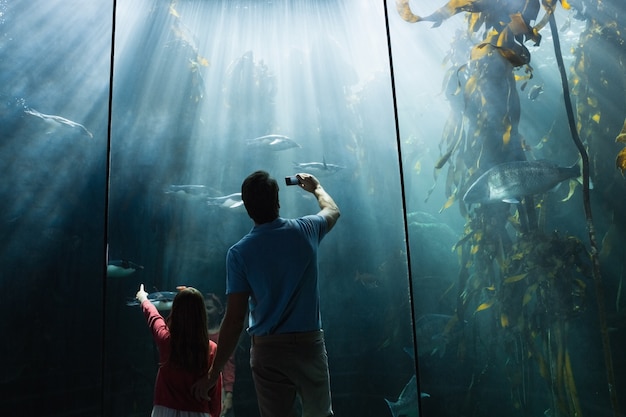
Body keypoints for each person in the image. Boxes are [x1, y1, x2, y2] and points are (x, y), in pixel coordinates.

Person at [193, 171, 340, 417]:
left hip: (268, 350)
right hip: (309, 345)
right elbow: (333, 210)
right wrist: (316, 188)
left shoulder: (239, 253)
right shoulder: (306, 230)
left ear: (248, 209)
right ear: (278, 201)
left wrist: (213, 374)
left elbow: (234, 319)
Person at [136, 284, 222, 417]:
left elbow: (154, 317)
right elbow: (214, 393)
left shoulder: (166, 341)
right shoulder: (211, 349)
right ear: (202, 314)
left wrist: (143, 299)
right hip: (198, 413)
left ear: (175, 311)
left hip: (164, 411)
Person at [205, 293, 236, 416]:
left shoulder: (224, 335)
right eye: (204, 308)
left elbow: (229, 364)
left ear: (219, 310)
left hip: (220, 388)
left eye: (209, 308)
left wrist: (228, 394)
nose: (206, 312)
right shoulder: (198, 333)